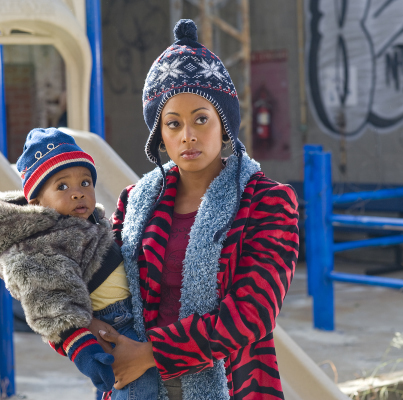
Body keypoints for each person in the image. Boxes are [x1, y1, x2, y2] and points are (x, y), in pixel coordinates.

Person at [95, 19, 299, 400]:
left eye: (200, 119)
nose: (187, 134)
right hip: (137, 386)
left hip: (232, 385)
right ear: (161, 137)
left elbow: (253, 313)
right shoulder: (133, 202)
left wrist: (151, 354)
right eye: (173, 124)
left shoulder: (267, 202)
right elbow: (103, 288)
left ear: (224, 125)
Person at [0, 128, 158, 399]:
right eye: (62, 186)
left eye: (85, 183)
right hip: (113, 322)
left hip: (130, 315)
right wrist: (84, 349)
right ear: (36, 201)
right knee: (138, 386)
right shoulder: (41, 243)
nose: (77, 193)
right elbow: (51, 304)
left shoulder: (89, 223)